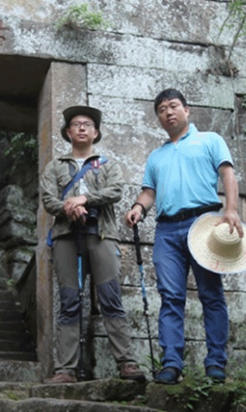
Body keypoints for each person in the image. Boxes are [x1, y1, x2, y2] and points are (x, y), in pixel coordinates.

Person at [124, 88, 244, 385]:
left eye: (173, 106)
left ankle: (216, 364)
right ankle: (171, 363)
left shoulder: (210, 140)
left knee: (211, 294)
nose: (168, 112)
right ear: (158, 118)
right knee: (170, 296)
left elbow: (228, 174)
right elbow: (149, 192)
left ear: (186, 110)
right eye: (161, 109)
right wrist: (138, 207)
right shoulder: (156, 156)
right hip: (166, 231)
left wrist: (231, 210)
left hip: (204, 224)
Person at [40, 106, 145, 384]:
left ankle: (126, 362)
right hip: (66, 237)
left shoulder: (108, 164)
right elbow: (48, 199)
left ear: (96, 132)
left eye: (87, 124)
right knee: (69, 301)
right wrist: (69, 207)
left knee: (111, 297)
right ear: (68, 132)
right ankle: (65, 369)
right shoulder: (55, 166)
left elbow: (116, 190)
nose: (82, 128)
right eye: (76, 124)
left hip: (102, 235)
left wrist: (84, 199)